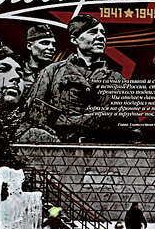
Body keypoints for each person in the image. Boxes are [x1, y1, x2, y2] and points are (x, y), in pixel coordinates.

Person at [25, 13, 139, 143]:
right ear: (75, 40)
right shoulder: (52, 72)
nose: (101, 37)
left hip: (103, 155)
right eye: (93, 32)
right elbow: (32, 118)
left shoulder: (118, 80)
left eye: (102, 33)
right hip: (61, 152)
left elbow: (131, 130)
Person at [20, 24, 57, 92]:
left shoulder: (58, 72)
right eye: (45, 43)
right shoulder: (18, 72)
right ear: (29, 46)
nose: (52, 48)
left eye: (53, 44)